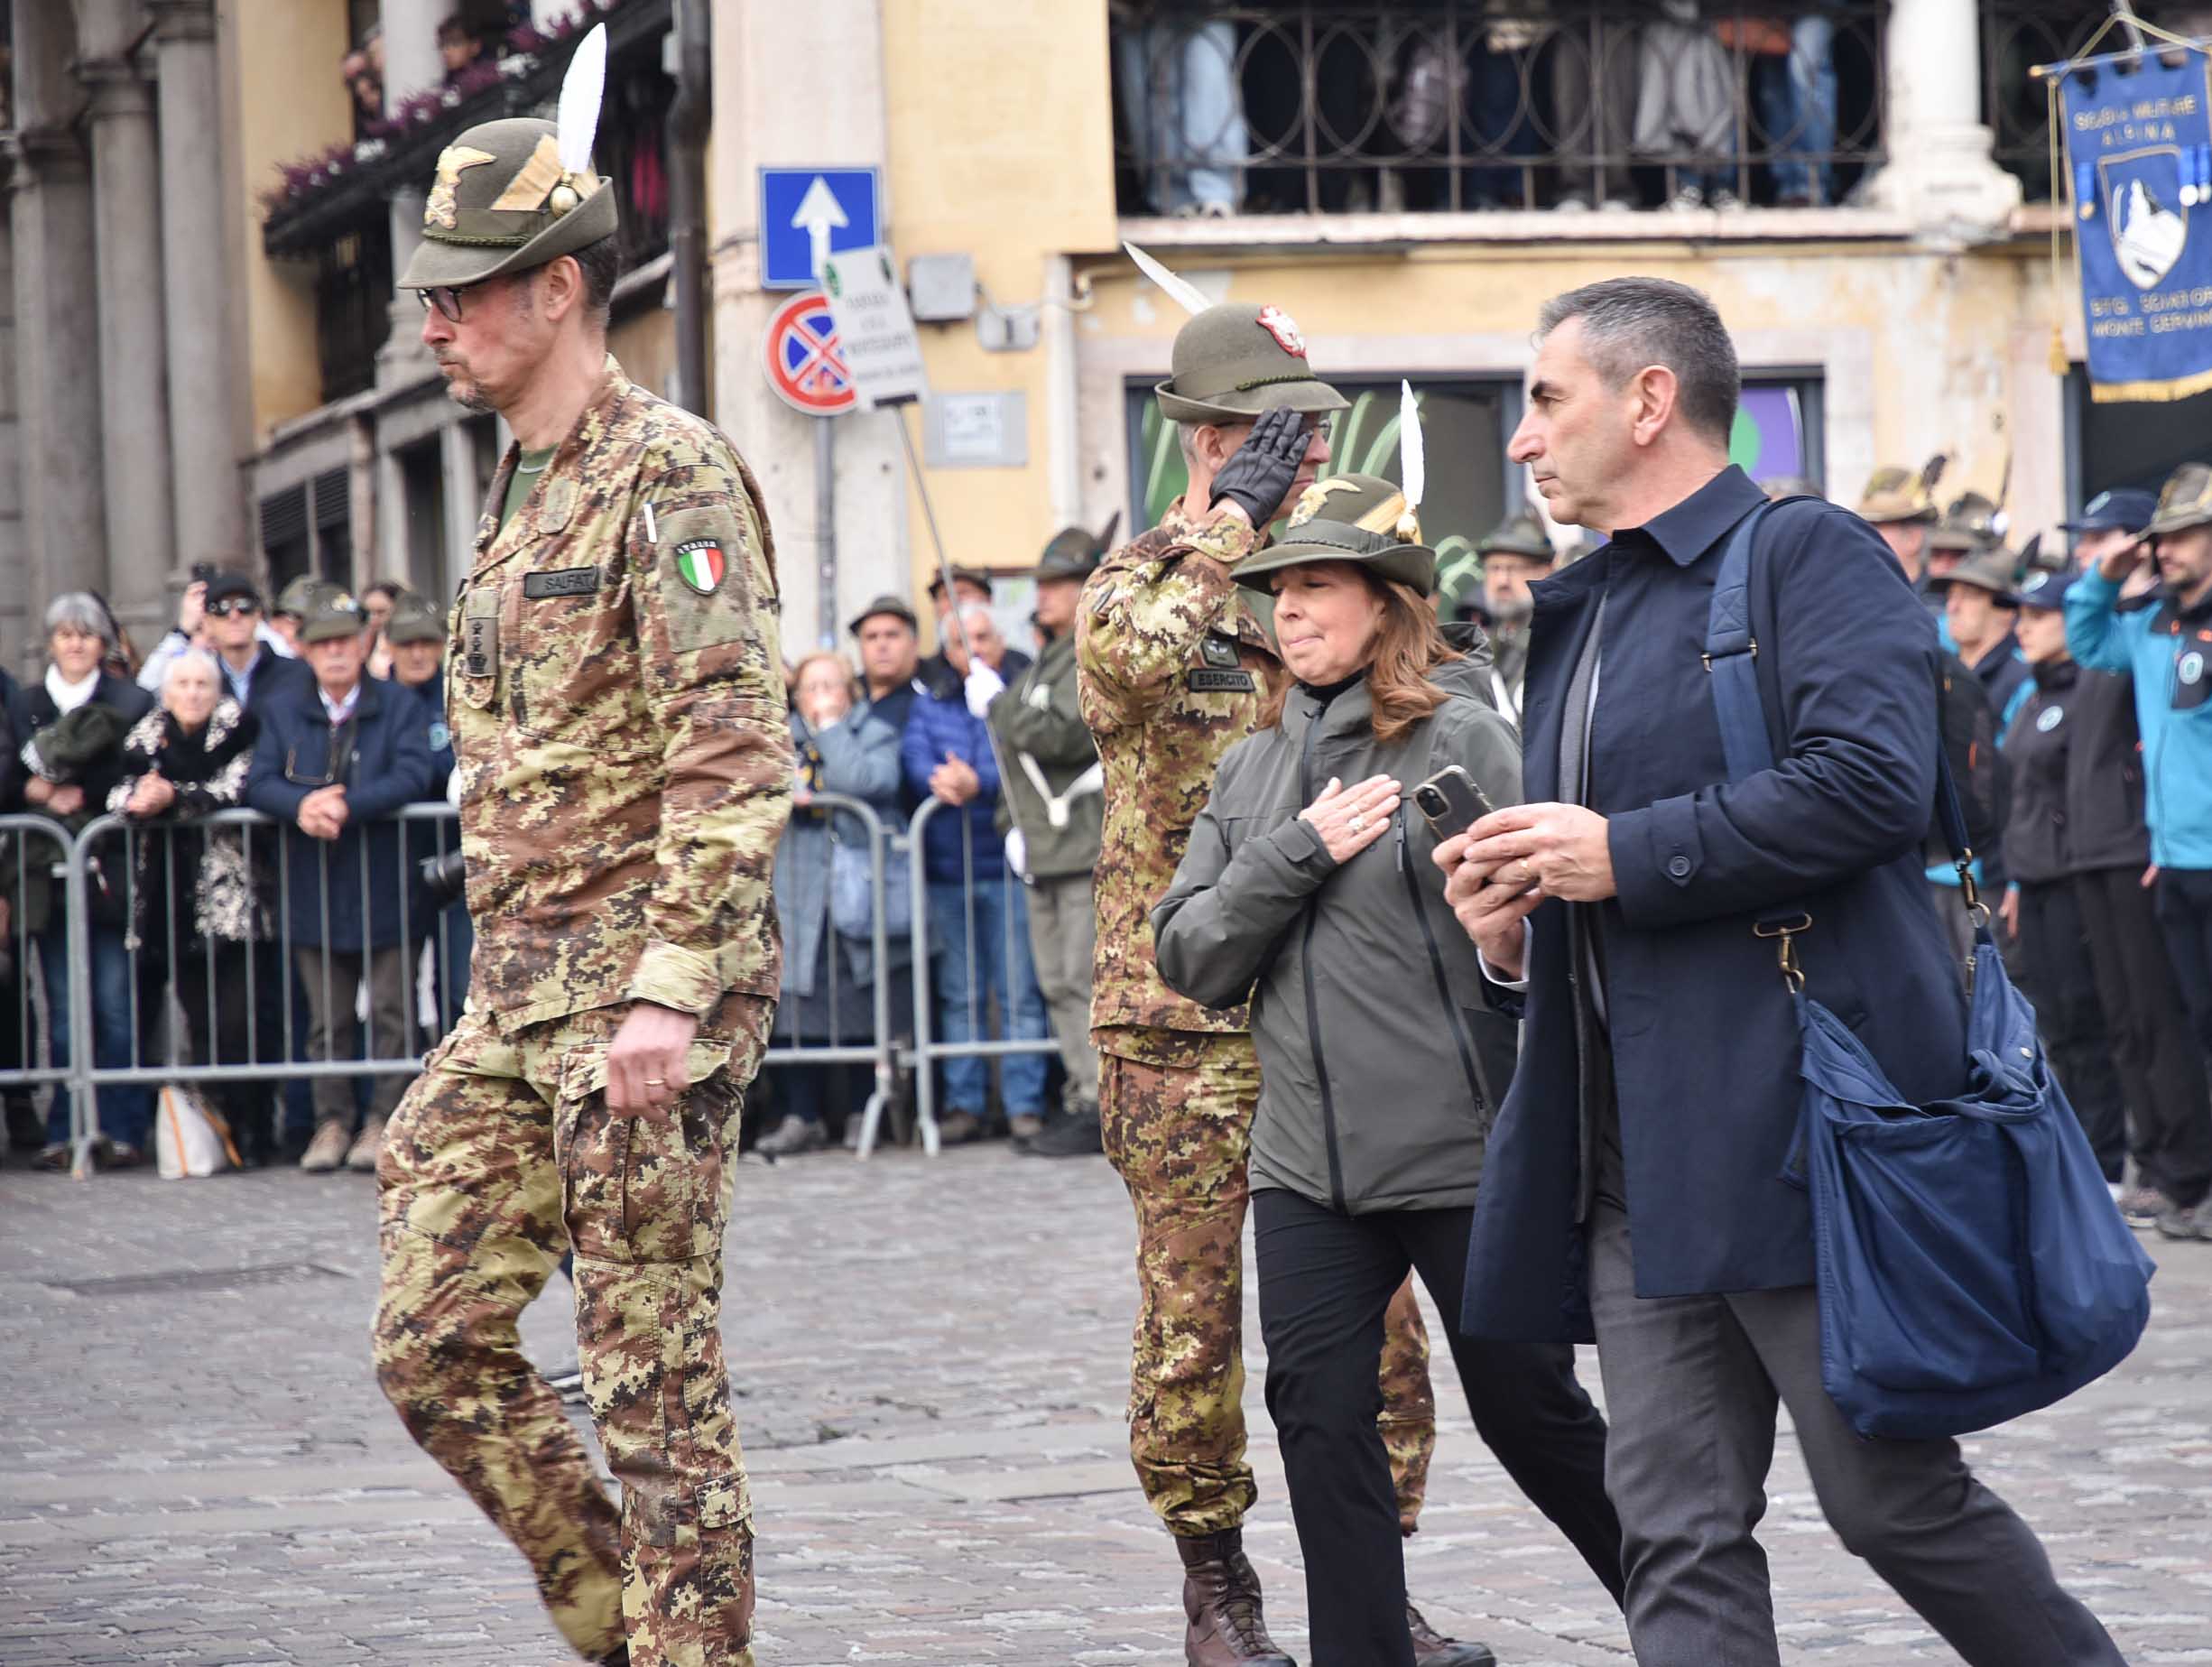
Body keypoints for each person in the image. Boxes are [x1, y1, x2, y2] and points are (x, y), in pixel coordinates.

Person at [1442, 276, 2122, 1665]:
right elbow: (1598, 871)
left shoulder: (1802, 550)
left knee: (1890, 1501)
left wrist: (1621, 853)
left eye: (1544, 399)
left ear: (1647, 400)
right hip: (1624, 1155)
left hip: (1798, 1130)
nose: (1521, 436)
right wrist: (1514, 928)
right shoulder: (1581, 604)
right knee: (1670, 1530)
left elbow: (1873, 781)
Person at [371, 111, 790, 1667]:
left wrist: (673, 988)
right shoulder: (517, 486)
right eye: (429, 294)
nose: (434, 322)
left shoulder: (666, 474)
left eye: (462, 291)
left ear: (557, 288)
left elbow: (733, 753)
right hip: (519, 996)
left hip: (637, 1001)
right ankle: (628, 1622)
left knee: (651, 1383)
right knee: (429, 1336)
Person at [1152, 474, 1622, 1666]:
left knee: (1529, 1411)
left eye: (1317, 585)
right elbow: (1189, 954)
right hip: (1304, 1167)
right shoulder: (1249, 769)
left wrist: (1508, 944)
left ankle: (1688, 1604)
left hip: (1459, 1150)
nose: (1290, 609)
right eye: (1278, 590)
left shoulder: (1458, 736)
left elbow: (1549, 928)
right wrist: (1295, 851)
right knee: (1316, 1418)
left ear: (1384, 604)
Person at [1078, 296, 1454, 1667]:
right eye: (1281, 437)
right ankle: (1216, 1578)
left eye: (1308, 438)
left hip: (1329, 1016)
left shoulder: (1336, 584)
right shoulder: (1144, 579)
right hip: (1177, 1028)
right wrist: (1229, 519)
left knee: (1382, 1332)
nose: (1306, 459)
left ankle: (1371, 1579)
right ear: (1214, 437)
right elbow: (1121, 670)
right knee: (1191, 1325)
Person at [2067, 460, 2212, 1243]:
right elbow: (2088, 642)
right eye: (2161, 537)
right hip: (2176, 862)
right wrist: (2105, 573)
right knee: (2194, 1028)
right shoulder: (2151, 622)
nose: (2167, 549)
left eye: (2184, 534)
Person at [247, 593, 437, 1173]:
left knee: (392, 1011)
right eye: (323, 643)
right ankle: (332, 1120)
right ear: (306, 652)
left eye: (344, 642)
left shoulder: (398, 704)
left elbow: (415, 773)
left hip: (386, 879)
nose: (335, 652)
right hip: (315, 885)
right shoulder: (282, 709)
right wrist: (302, 806)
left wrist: (348, 806)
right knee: (326, 1018)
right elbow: (259, 780)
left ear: (362, 646)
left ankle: (384, 1120)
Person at [108, 651, 276, 1162]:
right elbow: (116, 795)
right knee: (194, 1024)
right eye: (182, 684)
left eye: (203, 683)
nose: (193, 693)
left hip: (230, 908)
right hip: (166, 905)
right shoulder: (144, 737)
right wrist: (138, 799)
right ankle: (211, 1134)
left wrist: (172, 798)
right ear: (166, 691)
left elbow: (236, 788)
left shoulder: (240, 728)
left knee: (239, 1023)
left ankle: (253, 1131)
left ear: (217, 689)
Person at [8, 594, 157, 1170]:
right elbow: (9, 771)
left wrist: (77, 791)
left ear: (103, 643)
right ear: (51, 642)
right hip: (46, 874)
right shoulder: (26, 703)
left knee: (115, 1005)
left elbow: (132, 769)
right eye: (66, 635)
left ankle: (121, 1127)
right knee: (64, 1009)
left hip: (109, 873)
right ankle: (68, 1127)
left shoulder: (130, 699)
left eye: (87, 635)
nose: (75, 644)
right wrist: (35, 791)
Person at [1998, 569, 2134, 1198]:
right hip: (2032, 881)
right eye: (2020, 615)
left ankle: (2106, 1163)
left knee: (2088, 1020)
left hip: (2076, 876)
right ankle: (2077, 1156)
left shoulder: (2090, 691)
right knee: (2055, 1024)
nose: (2022, 626)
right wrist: (2014, 878)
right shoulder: (2032, 697)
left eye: (2038, 615)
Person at [902, 603, 1052, 1144]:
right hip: (949, 867)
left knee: (1018, 990)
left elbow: (1022, 753)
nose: (975, 650)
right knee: (959, 992)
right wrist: (939, 778)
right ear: (947, 651)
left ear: (1000, 641)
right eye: (962, 642)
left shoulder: (1018, 690)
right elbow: (914, 754)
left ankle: (1024, 1105)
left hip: (1007, 864)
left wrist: (977, 782)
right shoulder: (931, 699)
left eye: (984, 637)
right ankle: (964, 1103)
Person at [759, 651, 904, 1156]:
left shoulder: (873, 733)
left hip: (855, 892)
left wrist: (831, 730)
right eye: (810, 688)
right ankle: (801, 1113)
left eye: (831, 685)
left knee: (859, 1001)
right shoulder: (778, 738)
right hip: (797, 893)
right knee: (796, 1003)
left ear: (851, 692)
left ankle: (863, 1108)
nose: (820, 696)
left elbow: (864, 782)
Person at [991, 528, 1108, 1158]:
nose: (1043, 595)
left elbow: (1064, 735)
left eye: (1057, 583)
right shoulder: (1048, 658)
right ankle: (1084, 1095)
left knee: (1084, 981)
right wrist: (1008, 827)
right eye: (1040, 584)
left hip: (1081, 843)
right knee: (1059, 982)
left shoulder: (1089, 654)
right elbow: (1017, 765)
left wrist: (999, 707)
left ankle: (1102, 1101)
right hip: (1046, 847)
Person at [1471, 504, 1553, 719]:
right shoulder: (1487, 640)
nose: (1502, 581)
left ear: (1544, 572)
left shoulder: (1556, 636)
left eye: (1513, 568)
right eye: (1494, 568)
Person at [848, 594, 927, 736]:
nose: (882, 645)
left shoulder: (934, 695)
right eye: (871, 637)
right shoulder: (847, 694)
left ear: (914, 644)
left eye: (892, 635)